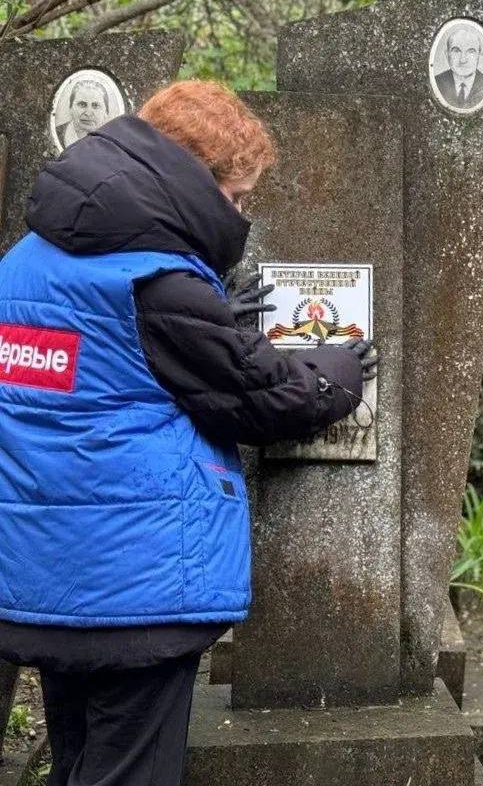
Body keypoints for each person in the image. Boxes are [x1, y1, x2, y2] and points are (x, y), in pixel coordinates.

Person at [0, 79, 378, 786]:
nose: (239, 214)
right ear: (192, 181)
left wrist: (210, 314)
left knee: (78, 760)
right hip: (135, 586)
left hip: (45, 574)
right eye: (235, 197)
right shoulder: (159, 285)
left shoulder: (25, 260)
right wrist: (337, 373)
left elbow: (105, 365)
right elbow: (255, 396)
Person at [433, 22, 483, 109]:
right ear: (447, 54)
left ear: (479, 55)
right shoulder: (437, 82)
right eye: (456, 51)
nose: (463, 60)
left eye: (471, 51)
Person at [54, 77, 115, 148]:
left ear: (106, 112)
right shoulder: (57, 135)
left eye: (95, 106)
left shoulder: (114, 140)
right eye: (82, 104)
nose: (88, 113)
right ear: (70, 108)